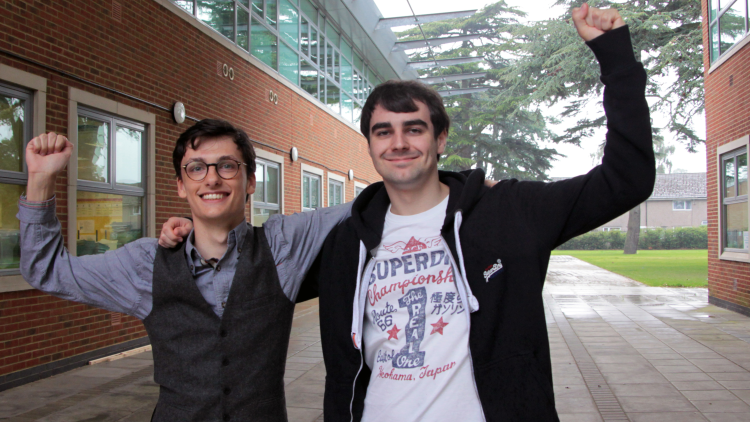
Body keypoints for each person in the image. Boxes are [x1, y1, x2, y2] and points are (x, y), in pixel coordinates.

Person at [161, 4, 654, 421]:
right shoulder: (343, 242)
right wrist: (198, 230)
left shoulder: (508, 212)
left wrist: (615, 59)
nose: (398, 143)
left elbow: (625, 179)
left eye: (414, 129)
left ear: (440, 139)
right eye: (383, 131)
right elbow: (247, 277)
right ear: (370, 146)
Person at [18, 119, 351, 421]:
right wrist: (41, 179)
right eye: (196, 168)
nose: (211, 178)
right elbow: (46, 269)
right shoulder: (146, 264)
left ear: (251, 181)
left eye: (227, 166)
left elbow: (376, 202)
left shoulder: (282, 246)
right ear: (180, 185)